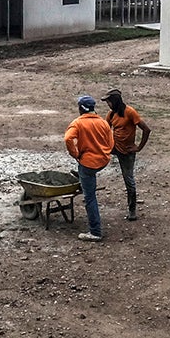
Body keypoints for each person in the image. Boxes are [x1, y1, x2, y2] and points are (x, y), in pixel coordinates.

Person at [63, 94, 114, 242]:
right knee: (86, 173)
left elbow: (68, 139)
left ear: (81, 108)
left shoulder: (78, 123)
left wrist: (76, 154)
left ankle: (95, 232)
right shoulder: (103, 122)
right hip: (102, 161)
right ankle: (82, 176)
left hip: (88, 163)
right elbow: (110, 142)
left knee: (90, 197)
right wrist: (105, 152)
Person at [103, 88, 151, 221]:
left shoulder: (130, 112)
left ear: (115, 101)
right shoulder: (111, 114)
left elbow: (146, 129)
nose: (108, 105)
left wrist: (138, 148)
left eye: (109, 102)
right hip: (114, 147)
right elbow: (105, 130)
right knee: (94, 158)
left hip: (127, 151)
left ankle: (132, 210)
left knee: (128, 179)